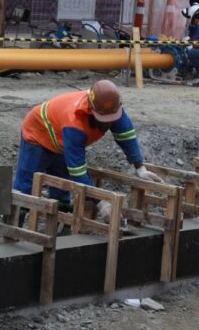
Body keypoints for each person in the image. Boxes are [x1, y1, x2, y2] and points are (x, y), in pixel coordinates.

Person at [14, 80, 163, 225]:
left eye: (111, 119)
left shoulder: (112, 108)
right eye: (103, 119)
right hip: (38, 133)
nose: (108, 123)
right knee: (28, 183)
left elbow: (126, 135)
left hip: (60, 136)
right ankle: (14, 223)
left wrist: (140, 167)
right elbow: (78, 172)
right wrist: (99, 202)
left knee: (61, 187)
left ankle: (60, 228)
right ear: (91, 111)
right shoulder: (74, 123)